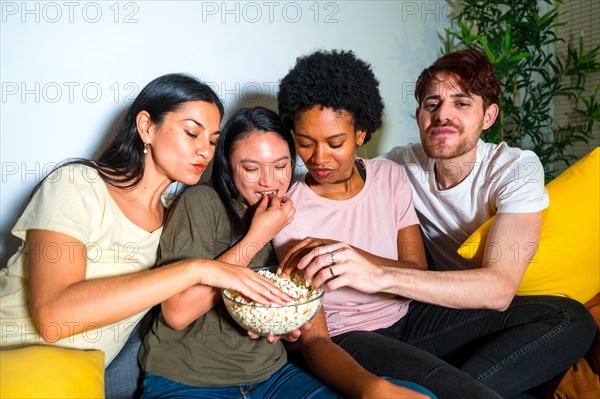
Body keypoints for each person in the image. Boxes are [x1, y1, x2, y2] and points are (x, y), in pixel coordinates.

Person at [277, 49, 597, 397]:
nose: (443, 115)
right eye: (432, 104)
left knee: (571, 318)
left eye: (461, 103)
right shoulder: (392, 169)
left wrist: (363, 264)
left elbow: (498, 289)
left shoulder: (505, 170)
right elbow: (308, 325)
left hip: (415, 315)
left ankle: (444, 387)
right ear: (418, 115)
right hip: (355, 334)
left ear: (488, 116)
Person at [0, 74, 292, 394]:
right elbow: (53, 316)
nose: (204, 151)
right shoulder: (76, 184)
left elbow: (184, 306)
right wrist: (199, 268)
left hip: (77, 376)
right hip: (13, 358)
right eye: (192, 133)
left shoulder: (173, 217)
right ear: (146, 127)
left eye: (211, 140)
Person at [137, 106, 434, 399]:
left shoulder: (290, 212)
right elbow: (177, 313)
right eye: (251, 169)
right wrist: (258, 235)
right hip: (187, 381)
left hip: (272, 377)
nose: (269, 181)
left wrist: (289, 330)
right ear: (227, 165)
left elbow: (312, 333)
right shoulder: (202, 203)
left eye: (281, 166)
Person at [272, 49, 502, 399]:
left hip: (409, 317)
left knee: (563, 317)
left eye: (335, 143)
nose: (319, 158)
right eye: (305, 143)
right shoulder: (289, 210)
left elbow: (414, 272)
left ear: (361, 134)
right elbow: (313, 335)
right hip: (352, 337)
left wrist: (349, 257)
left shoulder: (390, 176)